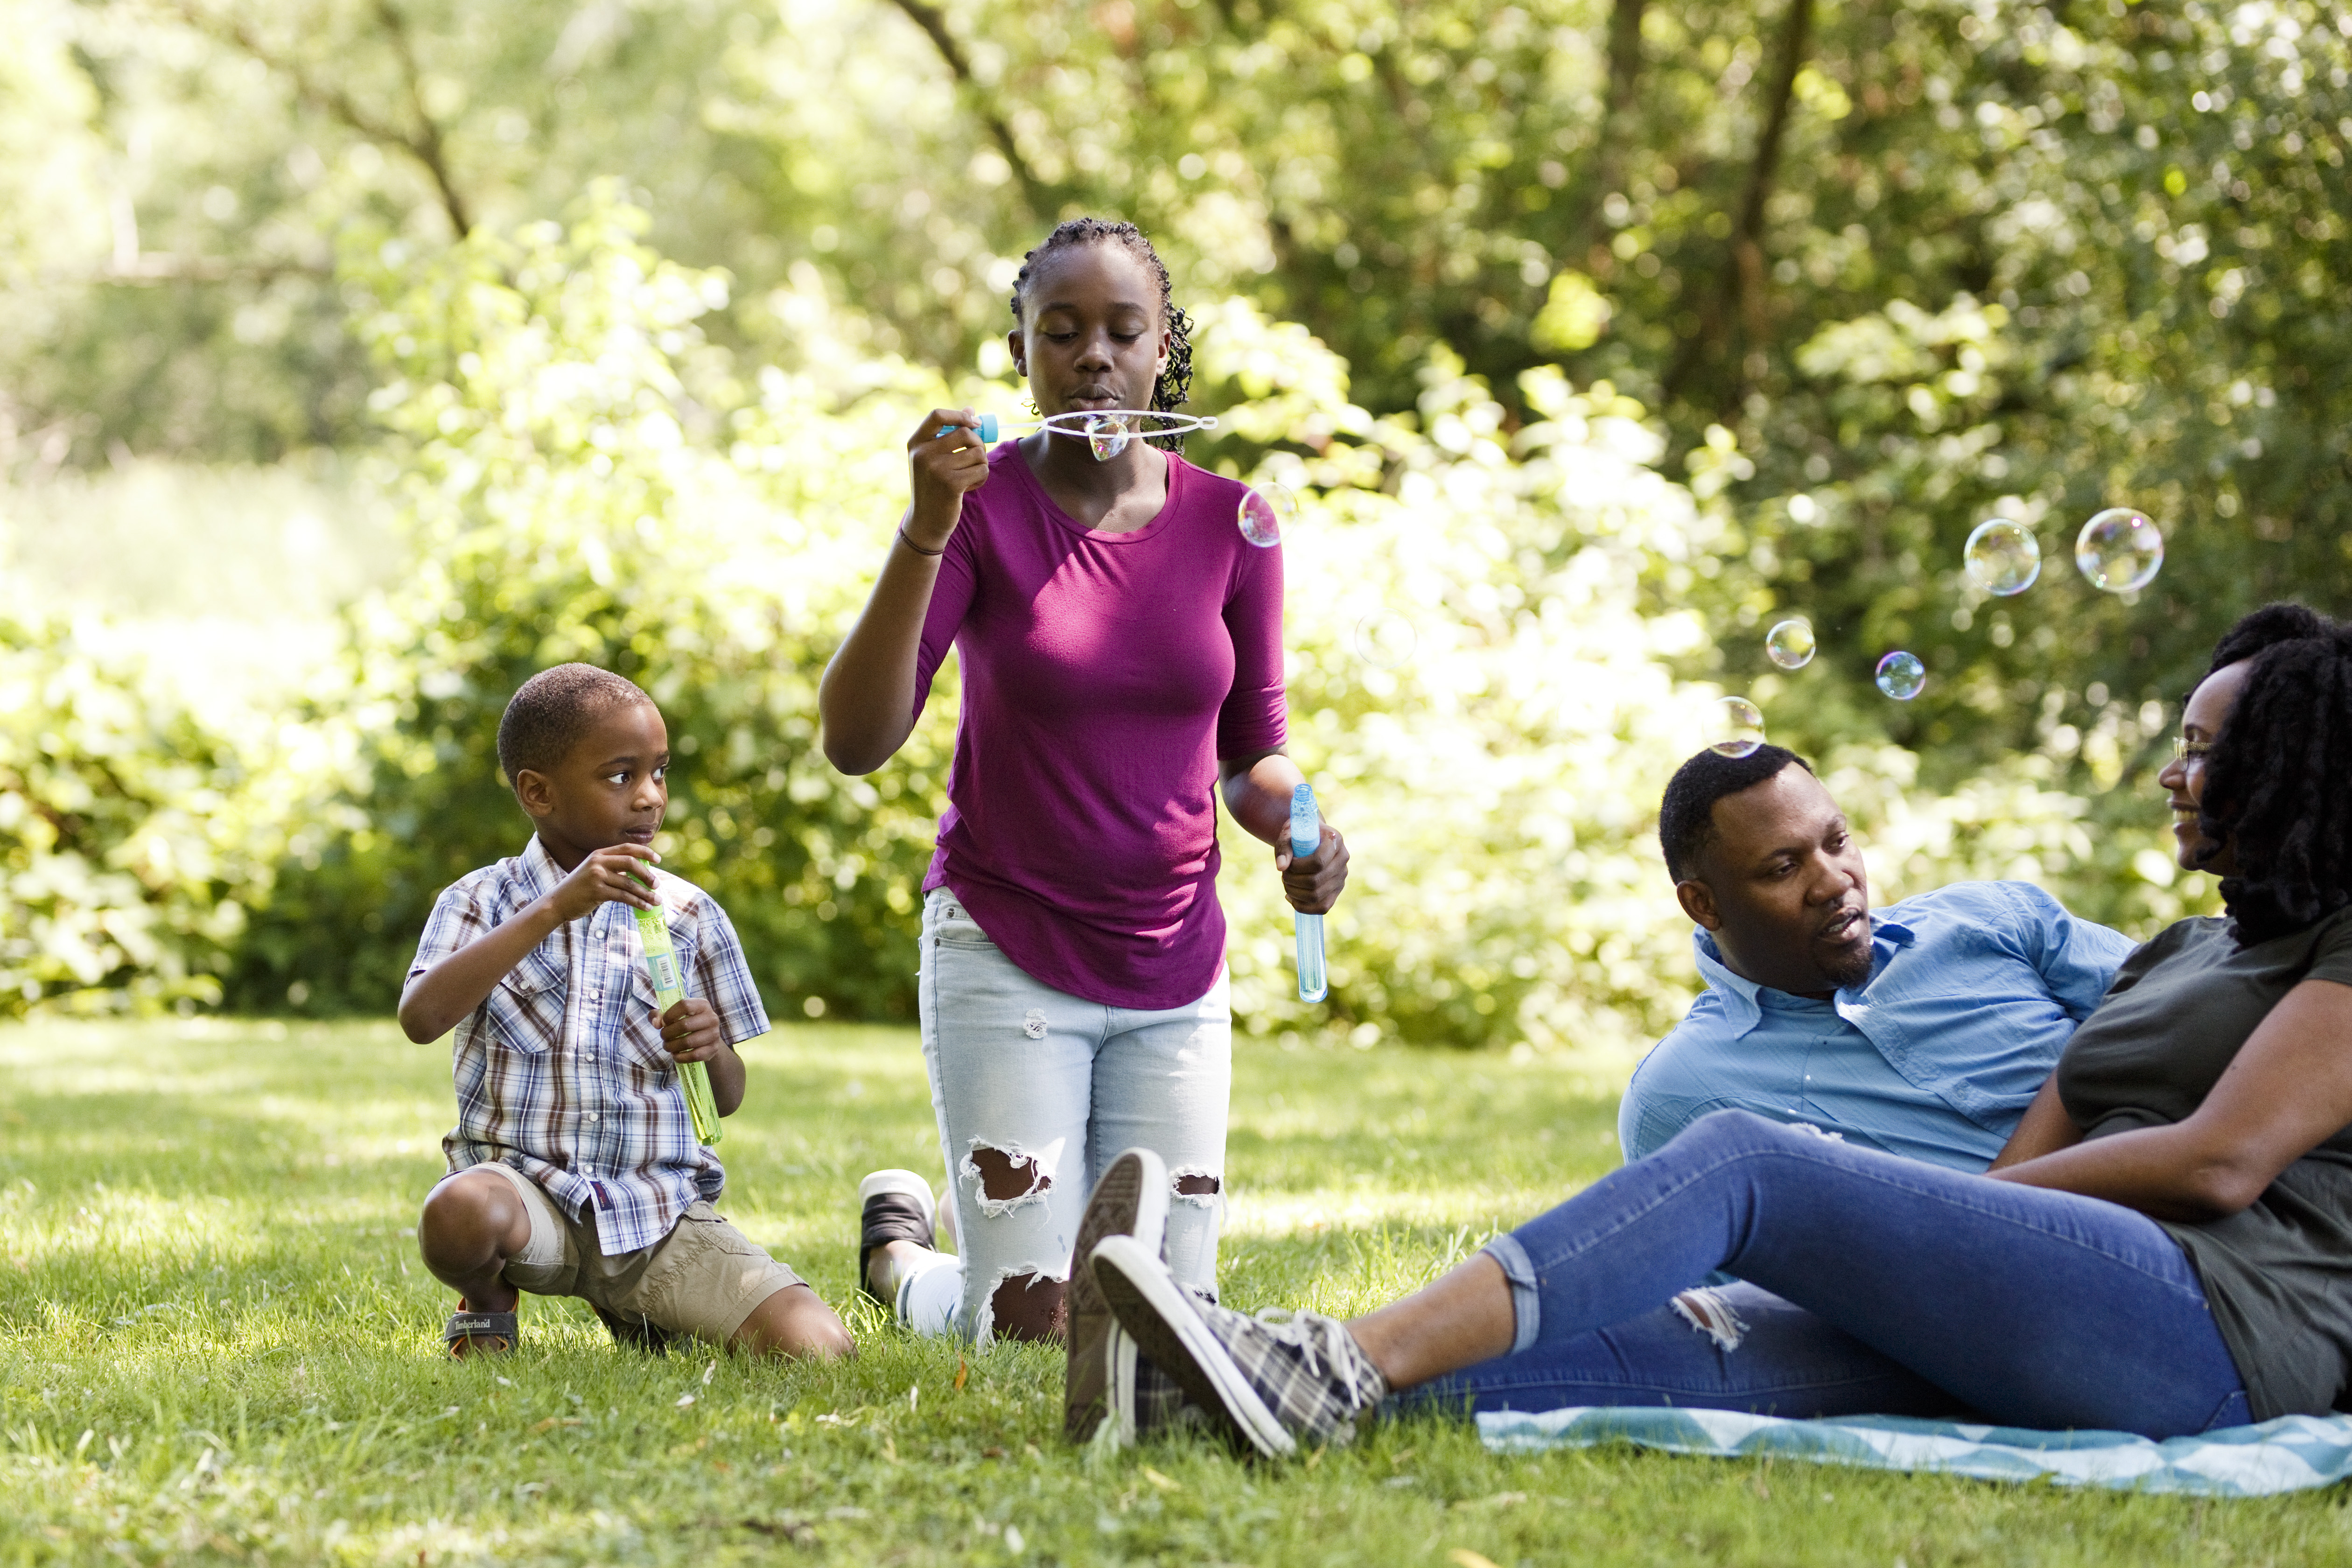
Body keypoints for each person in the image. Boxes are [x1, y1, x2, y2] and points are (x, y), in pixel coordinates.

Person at [1085, 609, 2352, 1453]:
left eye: (2201, 750)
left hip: (2223, 1325)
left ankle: (1332, 1361)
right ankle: (1189, 1398)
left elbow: (2220, 1161)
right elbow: (2041, 1143)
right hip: (2054, 1292)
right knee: (1717, 1340)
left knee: (1755, 1162)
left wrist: (1933, 1213)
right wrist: (1946, 1240)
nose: (2174, 774)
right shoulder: (2187, 951)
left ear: (2292, 768)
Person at [814, 217, 1347, 1441]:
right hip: (1008, 950)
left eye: (1123, 331)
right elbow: (856, 738)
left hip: (1175, 963)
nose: (1094, 356)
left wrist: (1296, 824)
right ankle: (905, 1264)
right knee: (1035, 1324)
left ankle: (939, 1248)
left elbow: (1251, 750)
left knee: (1176, 1315)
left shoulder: (1234, 523)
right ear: (1021, 353)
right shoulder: (982, 509)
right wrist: (925, 522)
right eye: (1062, 333)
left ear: (1166, 350)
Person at [401, 664, 851, 1361]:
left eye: (660, 773)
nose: (650, 798)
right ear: (537, 792)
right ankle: (489, 1303)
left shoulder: (690, 917)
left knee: (819, 1351)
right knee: (458, 1213)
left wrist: (713, 1050)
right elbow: (421, 1018)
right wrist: (556, 908)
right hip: (528, 1203)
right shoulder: (481, 902)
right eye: (620, 776)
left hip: (657, 1218)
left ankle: (643, 1314)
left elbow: (726, 1101)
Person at [1621, 745, 2135, 1170]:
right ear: (1704, 905)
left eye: (1838, 842)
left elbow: (2183, 1011)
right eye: (1783, 868)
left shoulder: (1996, 919)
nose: (1835, 880)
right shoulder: (1682, 1095)